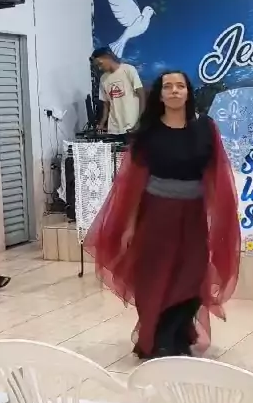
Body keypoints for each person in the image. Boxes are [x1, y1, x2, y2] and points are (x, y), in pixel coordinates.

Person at [84, 71, 240, 359]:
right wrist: (129, 225)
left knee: (192, 277)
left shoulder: (205, 128)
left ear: (188, 92)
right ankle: (160, 339)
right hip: (155, 215)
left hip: (192, 216)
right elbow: (132, 183)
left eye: (180, 86)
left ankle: (175, 334)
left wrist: (219, 217)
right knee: (155, 278)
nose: (174, 91)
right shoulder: (148, 133)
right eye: (168, 86)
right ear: (160, 94)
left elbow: (217, 174)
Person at [91, 47, 145, 135]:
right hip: (114, 128)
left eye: (100, 64)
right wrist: (101, 124)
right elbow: (106, 104)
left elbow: (141, 95)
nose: (100, 68)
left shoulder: (128, 69)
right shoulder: (103, 79)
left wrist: (140, 119)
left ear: (107, 57)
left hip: (131, 125)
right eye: (97, 66)